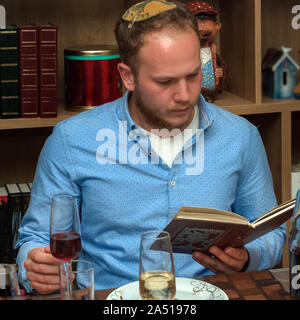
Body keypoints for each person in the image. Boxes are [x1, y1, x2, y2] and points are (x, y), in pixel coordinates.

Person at [16, 0, 284, 295]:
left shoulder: (241, 137)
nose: (185, 95)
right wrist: (36, 266)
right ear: (127, 76)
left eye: (194, 75)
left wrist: (247, 258)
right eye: (165, 81)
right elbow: (37, 238)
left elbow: (271, 237)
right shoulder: (71, 140)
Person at [186, 1, 227, 102]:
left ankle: (208, 97)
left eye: (204, 22)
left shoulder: (213, 51)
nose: (200, 28)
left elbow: (223, 66)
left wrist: (221, 72)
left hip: (211, 90)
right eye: (195, 24)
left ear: (217, 25)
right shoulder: (187, 52)